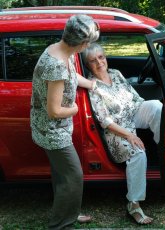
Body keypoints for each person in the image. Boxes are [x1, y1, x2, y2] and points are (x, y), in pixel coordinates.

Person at [30, 15, 100, 230]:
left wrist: (90, 84)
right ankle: (61, 225)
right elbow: (54, 110)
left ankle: (69, 212)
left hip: (52, 128)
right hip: (52, 131)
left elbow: (72, 75)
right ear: (82, 44)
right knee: (73, 177)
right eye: (88, 43)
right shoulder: (56, 66)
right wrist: (76, 109)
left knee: (62, 175)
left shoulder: (60, 49)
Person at [82, 43, 163, 225]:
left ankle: (164, 150)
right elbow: (105, 121)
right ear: (88, 65)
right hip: (116, 129)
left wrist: (146, 111)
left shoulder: (116, 73)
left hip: (132, 113)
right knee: (138, 153)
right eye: (93, 60)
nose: (99, 62)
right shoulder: (93, 86)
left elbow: (135, 99)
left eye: (101, 57)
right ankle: (134, 204)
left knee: (157, 106)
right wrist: (130, 135)